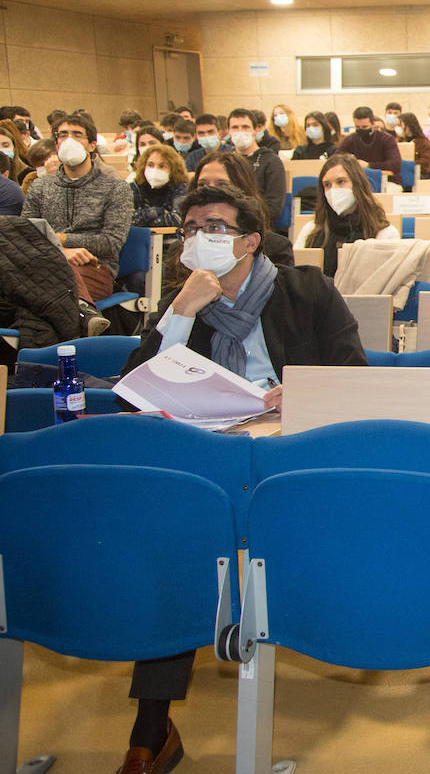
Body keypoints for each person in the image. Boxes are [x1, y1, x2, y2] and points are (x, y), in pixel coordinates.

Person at [116, 183, 365, 774]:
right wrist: (180, 314)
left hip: (291, 453)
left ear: (252, 240)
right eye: (191, 228)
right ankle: (152, 725)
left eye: (217, 227)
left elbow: (354, 373)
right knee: (175, 541)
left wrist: (299, 391)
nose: (201, 237)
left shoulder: (305, 289)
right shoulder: (182, 304)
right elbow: (131, 394)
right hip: (208, 456)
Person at [21, 112, 132, 331]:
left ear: (92, 145)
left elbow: (110, 243)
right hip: (44, 266)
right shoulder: (41, 187)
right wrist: (61, 250)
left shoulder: (115, 188)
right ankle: (81, 317)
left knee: (47, 281)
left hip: (95, 268)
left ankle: (81, 313)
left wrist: (62, 239)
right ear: (56, 144)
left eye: (77, 135)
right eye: (63, 135)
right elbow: (25, 234)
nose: (69, 140)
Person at [295, 152, 399, 275]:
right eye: (327, 185)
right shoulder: (311, 230)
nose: (333, 190)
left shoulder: (384, 233)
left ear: (357, 184)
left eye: (341, 181)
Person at [191, 152, 294, 267]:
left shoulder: (275, 248)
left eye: (222, 185)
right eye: (202, 185)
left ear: (242, 189)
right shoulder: (184, 248)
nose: (209, 191)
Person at [225, 107, 287, 225]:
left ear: (255, 130)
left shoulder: (271, 161)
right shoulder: (224, 162)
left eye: (245, 127)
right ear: (228, 131)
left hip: (258, 224)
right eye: (235, 127)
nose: (240, 131)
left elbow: (274, 206)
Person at [336, 106, 403, 184]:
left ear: (373, 124)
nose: (361, 129)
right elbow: (336, 159)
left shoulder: (387, 139)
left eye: (364, 127)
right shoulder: (350, 139)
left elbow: (396, 165)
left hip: (387, 181)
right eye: (357, 127)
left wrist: (369, 165)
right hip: (359, 182)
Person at [129, 144, 189, 228]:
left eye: (162, 166)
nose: (155, 170)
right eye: (150, 165)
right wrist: (157, 211)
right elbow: (125, 219)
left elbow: (177, 219)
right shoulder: (133, 188)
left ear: (173, 170)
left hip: (171, 239)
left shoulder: (181, 188)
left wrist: (142, 219)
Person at [395, 112, 430, 179]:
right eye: (396, 125)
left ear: (409, 126)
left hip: (418, 176)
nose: (397, 128)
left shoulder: (424, 143)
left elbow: (425, 166)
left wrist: (406, 164)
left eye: (400, 125)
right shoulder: (398, 142)